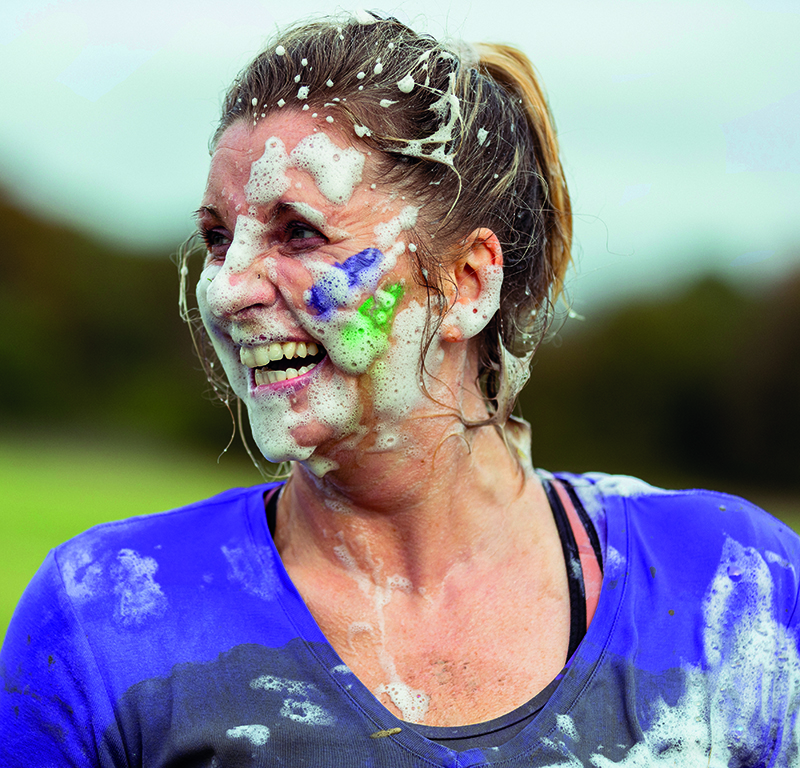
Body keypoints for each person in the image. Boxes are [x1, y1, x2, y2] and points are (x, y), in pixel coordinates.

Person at [2, 12, 798, 767]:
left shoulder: (733, 594)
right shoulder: (106, 621)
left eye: (297, 232)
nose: (225, 290)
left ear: (466, 284)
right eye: (218, 238)